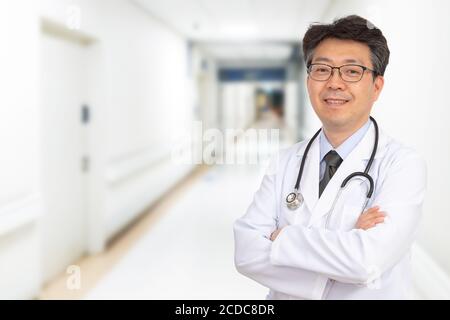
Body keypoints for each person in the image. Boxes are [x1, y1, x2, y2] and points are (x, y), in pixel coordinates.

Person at [233, 15, 427, 300]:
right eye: (322, 69)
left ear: (376, 86)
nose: (334, 83)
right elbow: (247, 253)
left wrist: (283, 238)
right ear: (308, 79)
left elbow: (366, 261)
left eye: (352, 71)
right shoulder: (285, 161)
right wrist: (347, 241)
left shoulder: (403, 165)